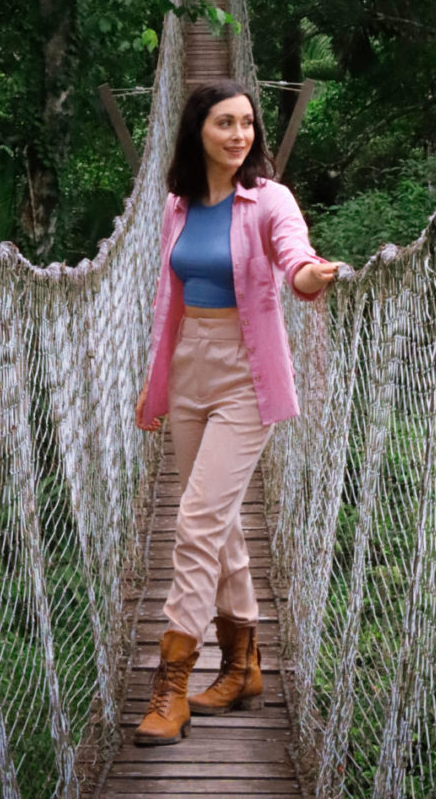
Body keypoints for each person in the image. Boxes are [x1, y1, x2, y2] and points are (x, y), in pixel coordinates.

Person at [132, 78, 338, 746]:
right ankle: (245, 665)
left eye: (247, 123)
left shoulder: (269, 200)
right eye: (225, 122)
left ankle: (171, 687)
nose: (240, 134)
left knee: (195, 521)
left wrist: (309, 277)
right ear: (199, 129)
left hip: (246, 374)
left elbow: (293, 257)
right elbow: (170, 302)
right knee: (217, 526)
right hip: (190, 366)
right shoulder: (177, 205)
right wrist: (154, 384)